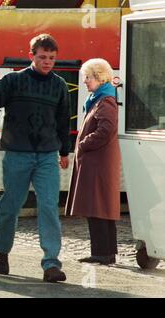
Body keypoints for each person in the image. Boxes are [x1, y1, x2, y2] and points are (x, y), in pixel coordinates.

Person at [0, 34, 70, 282]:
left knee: (49, 207)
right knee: (10, 206)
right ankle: (2, 252)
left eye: (52, 58)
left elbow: (63, 121)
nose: (47, 62)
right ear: (31, 55)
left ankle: (51, 264)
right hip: (17, 154)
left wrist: (64, 152)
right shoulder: (14, 81)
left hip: (47, 156)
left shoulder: (60, 86)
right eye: (42, 57)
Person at [65, 58, 120, 265]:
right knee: (102, 208)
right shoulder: (101, 98)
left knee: (96, 208)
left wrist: (83, 144)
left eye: (87, 77)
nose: (85, 82)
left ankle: (101, 253)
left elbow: (105, 130)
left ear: (98, 77)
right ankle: (107, 252)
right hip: (98, 162)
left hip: (98, 163)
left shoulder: (104, 101)